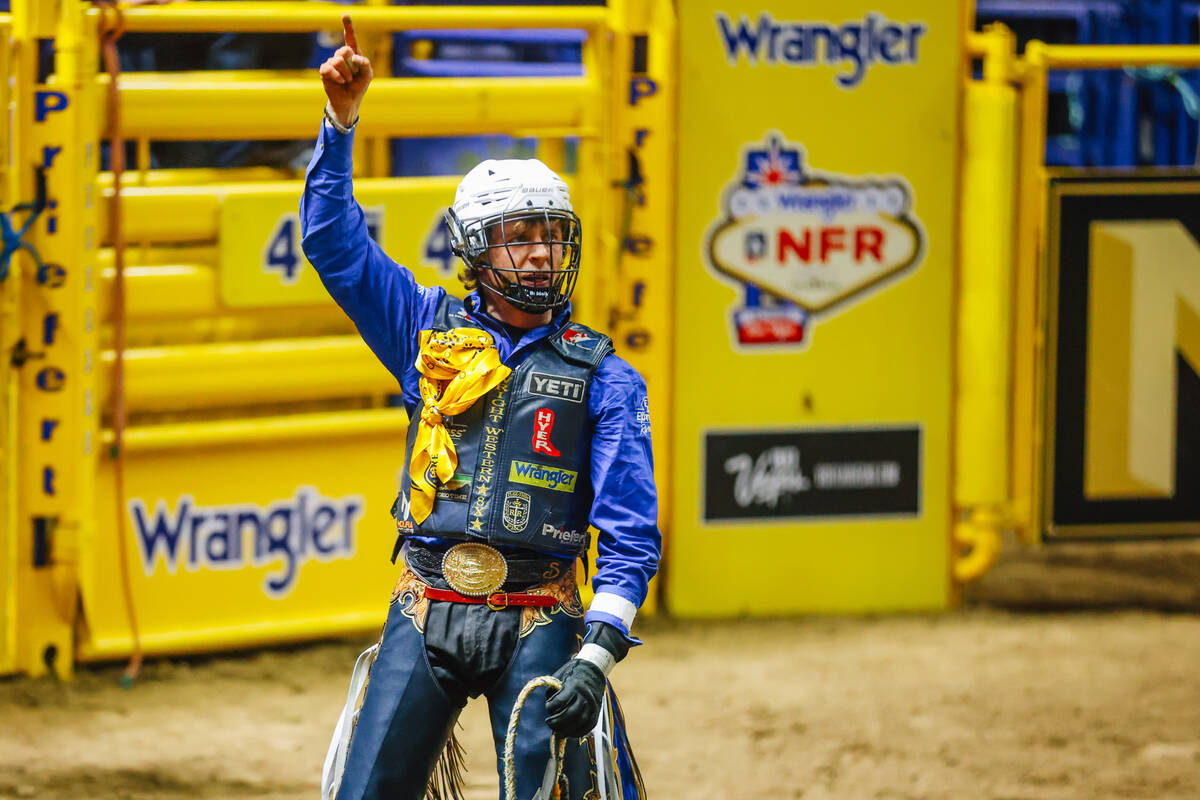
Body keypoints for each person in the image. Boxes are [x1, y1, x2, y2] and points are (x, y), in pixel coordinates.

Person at [302, 16, 659, 800]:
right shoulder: (424, 331)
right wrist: (340, 123)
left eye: (552, 236)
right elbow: (332, 245)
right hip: (424, 605)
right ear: (473, 249)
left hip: (544, 617)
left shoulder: (607, 378)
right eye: (517, 236)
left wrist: (595, 657)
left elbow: (632, 535)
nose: (539, 252)